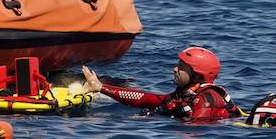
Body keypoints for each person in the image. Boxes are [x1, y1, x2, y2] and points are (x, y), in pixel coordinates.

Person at [80, 46, 238, 123]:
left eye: (181, 67)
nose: (174, 69)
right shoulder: (185, 94)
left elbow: (196, 130)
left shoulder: (206, 99)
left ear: (197, 75)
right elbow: (143, 98)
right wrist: (100, 87)